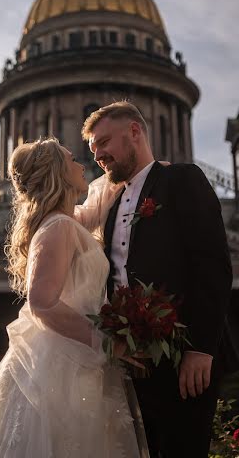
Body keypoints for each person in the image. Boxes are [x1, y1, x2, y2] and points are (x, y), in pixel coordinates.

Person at [0, 138, 149, 458]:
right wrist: (106, 341)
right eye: (73, 160)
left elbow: (95, 206)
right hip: (66, 358)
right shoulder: (58, 226)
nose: (83, 164)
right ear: (58, 171)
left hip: (75, 354)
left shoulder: (65, 223)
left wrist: (145, 171)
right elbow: (42, 303)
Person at [81, 100, 236, 458]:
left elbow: (212, 265)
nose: (98, 156)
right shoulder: (111, 203)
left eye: (104, 143)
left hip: (184, 358)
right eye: (93, 149)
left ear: (134, 132)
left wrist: (200, 348)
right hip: (133, 363)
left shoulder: (182, 179)